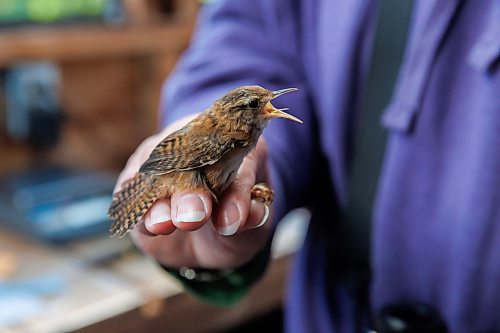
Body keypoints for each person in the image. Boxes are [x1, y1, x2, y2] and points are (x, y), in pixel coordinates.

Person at [114, 0, 500, 332]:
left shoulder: (242, 136)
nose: (269, 104)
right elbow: (251, 38)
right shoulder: (229, 138)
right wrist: (264, 174)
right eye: (255, 105)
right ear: (240, 117)